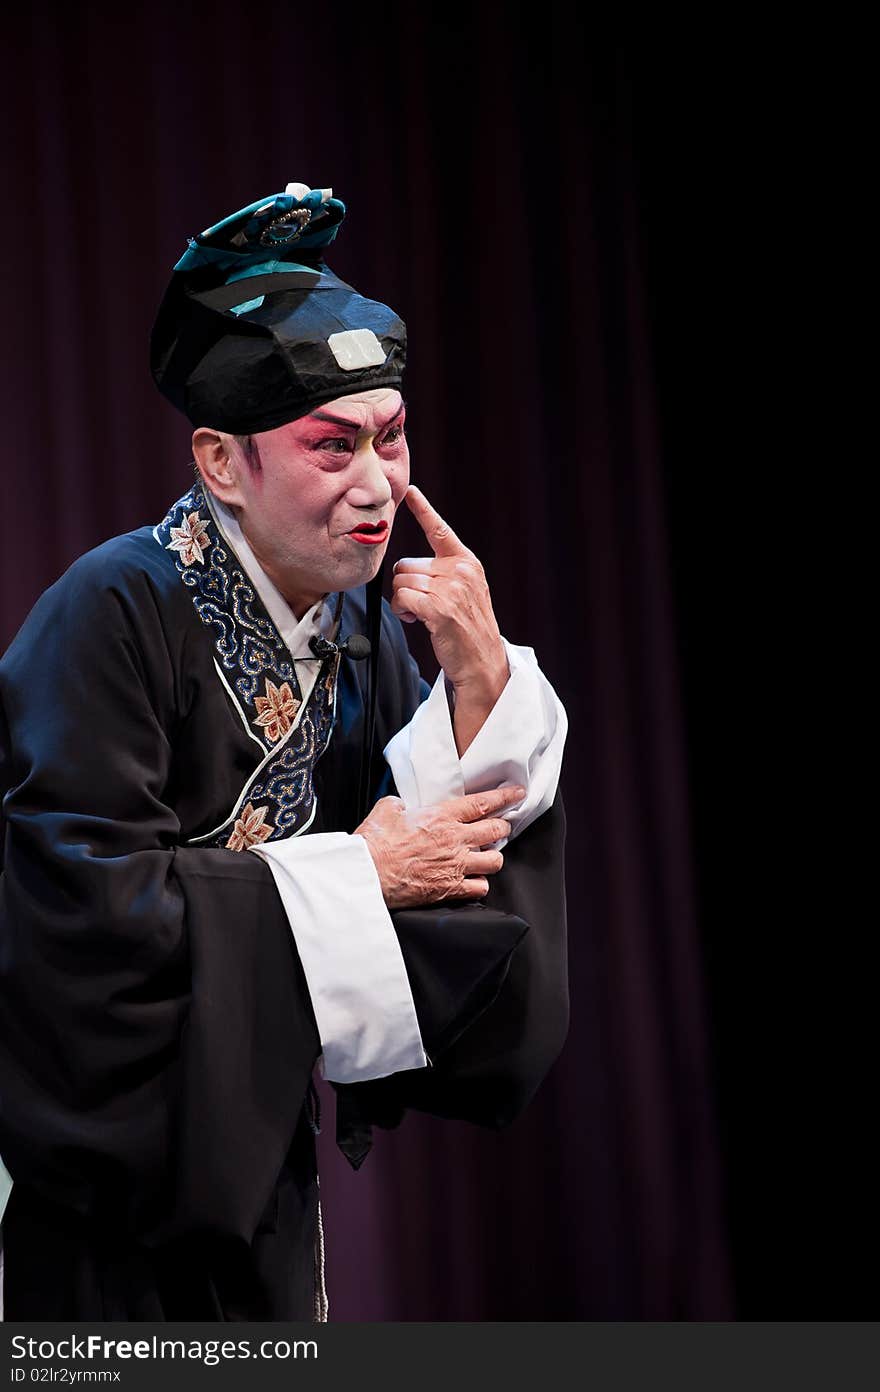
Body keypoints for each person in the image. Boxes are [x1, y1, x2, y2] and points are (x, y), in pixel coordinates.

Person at [0, 183, 569, 1321]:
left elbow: (433, 874)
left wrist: (478, 687)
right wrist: (355, 876)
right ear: (222, 461)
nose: (377, 488)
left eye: (392, 438)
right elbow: (78, 919)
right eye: (332, 445)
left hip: (259, 1175)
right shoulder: (110, 611)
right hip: (103, 1204)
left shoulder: (358, 623)